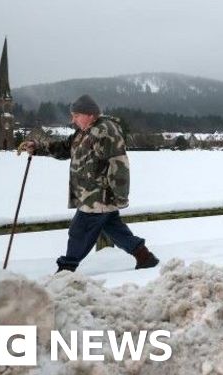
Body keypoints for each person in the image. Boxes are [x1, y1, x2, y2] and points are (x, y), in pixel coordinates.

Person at [18, 94, 159, 273]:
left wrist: (120, 195)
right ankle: (145, 257)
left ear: (90, 114)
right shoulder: (84, 132)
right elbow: (65, 148)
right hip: (91, 195)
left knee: (79, 231)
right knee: (114, 228)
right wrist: (37, 147)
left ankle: (66, 269)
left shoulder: (105, 131)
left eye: (76, 115)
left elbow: (119, 163)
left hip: (98, 195)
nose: (73, 119)